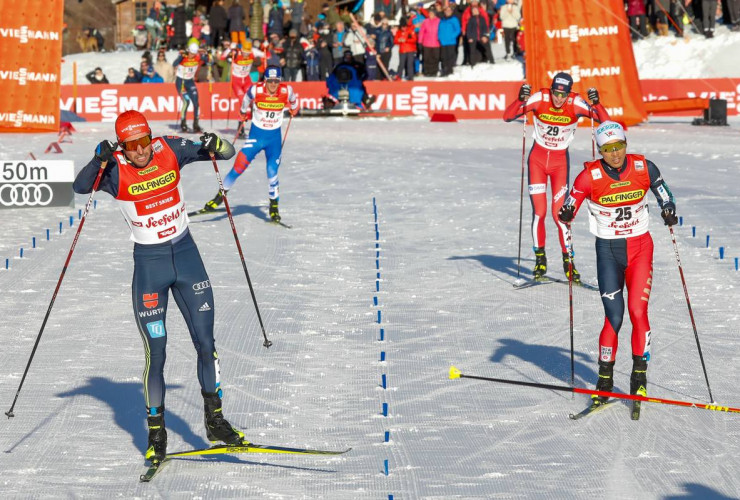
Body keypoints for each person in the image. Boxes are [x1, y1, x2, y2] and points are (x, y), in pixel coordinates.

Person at [72, 110, 243, 465]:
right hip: (150, 267)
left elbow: (225, 153)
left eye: (144, 140)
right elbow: (79, 187)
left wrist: (215, 142)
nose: (140, 151)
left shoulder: (170, 149)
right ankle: (157, 433)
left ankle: (215, 421)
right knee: (157, 352)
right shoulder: (115, 169)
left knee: (206, 342)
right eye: (131, 144)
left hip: (187, 256)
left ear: (151, 136)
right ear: (122, 145)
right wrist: (97, 159)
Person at [557, 121, 678, 410]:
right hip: (609, 251)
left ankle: (639, 378)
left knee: (638, 311)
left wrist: (668, 208)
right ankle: (604, 382)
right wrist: (566, 212)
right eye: (608, 149)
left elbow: (663, 192)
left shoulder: (643, 167)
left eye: (619, 146)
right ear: (600, 150)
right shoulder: (589, 176)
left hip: (640, 249)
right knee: (614, 317)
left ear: (626, 143)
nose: (615, 154)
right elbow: (570, 203)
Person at [503, 72, 611, 282]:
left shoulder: (576, 103)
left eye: (563, 94)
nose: (559, 99)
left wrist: (596, 104)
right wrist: (520, 99)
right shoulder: (540, 98)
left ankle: (568, 262)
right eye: (556, 93)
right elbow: (507, 117)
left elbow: (605, 123)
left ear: (568, 93)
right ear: (551, 90)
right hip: (537, 161)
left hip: (559, 164)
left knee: (560, 215)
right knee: (539, 213)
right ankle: (540, 259)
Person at [202, 66, 298, 223]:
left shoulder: (287, 90)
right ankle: (220, 197)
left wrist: (295, 110)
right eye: (270, 81)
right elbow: (246, 99)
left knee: (272, 171)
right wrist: (243, 112)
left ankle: (274, 206)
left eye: (276, 81)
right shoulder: (256, 90)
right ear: (264, 80)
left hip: (273, 139)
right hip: (256, 137)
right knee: (238, 167)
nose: (273, 84)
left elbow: (294, 102)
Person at [173, 41, 209, 133]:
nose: (192, 55)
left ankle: (196, 125)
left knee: (196, 103)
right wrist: (181, 56)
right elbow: (174, 64)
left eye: (194, 53)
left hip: (190, 81)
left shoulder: (198, 56)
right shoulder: (183, 56)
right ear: (188, 51)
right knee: (186, 102)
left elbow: (207, 60)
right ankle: (183, 124)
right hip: (181, 81)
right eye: (190, 53)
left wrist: (206, 53)